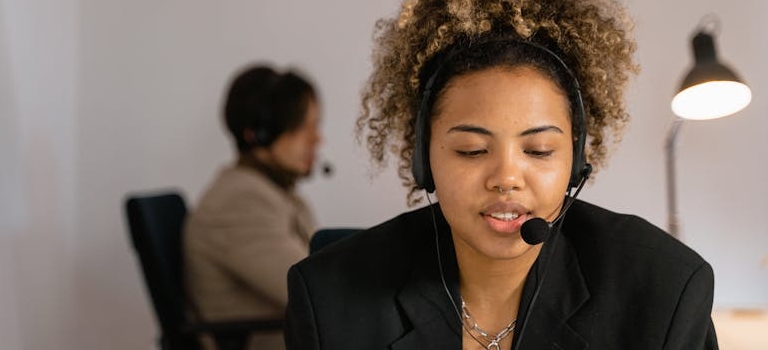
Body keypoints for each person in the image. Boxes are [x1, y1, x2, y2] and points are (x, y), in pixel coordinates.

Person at [285, 0, 718, 349]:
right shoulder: (327, 299)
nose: (507, 177)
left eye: (539, 149)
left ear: (576, 158)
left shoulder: (664, 292)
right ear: (423, 156)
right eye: (472, 150)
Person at [185, 64, 321, 349]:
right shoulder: (240, 201)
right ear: (258, 133)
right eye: (301, 126)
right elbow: (316, 292)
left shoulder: (272, 193)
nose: (316, 138)